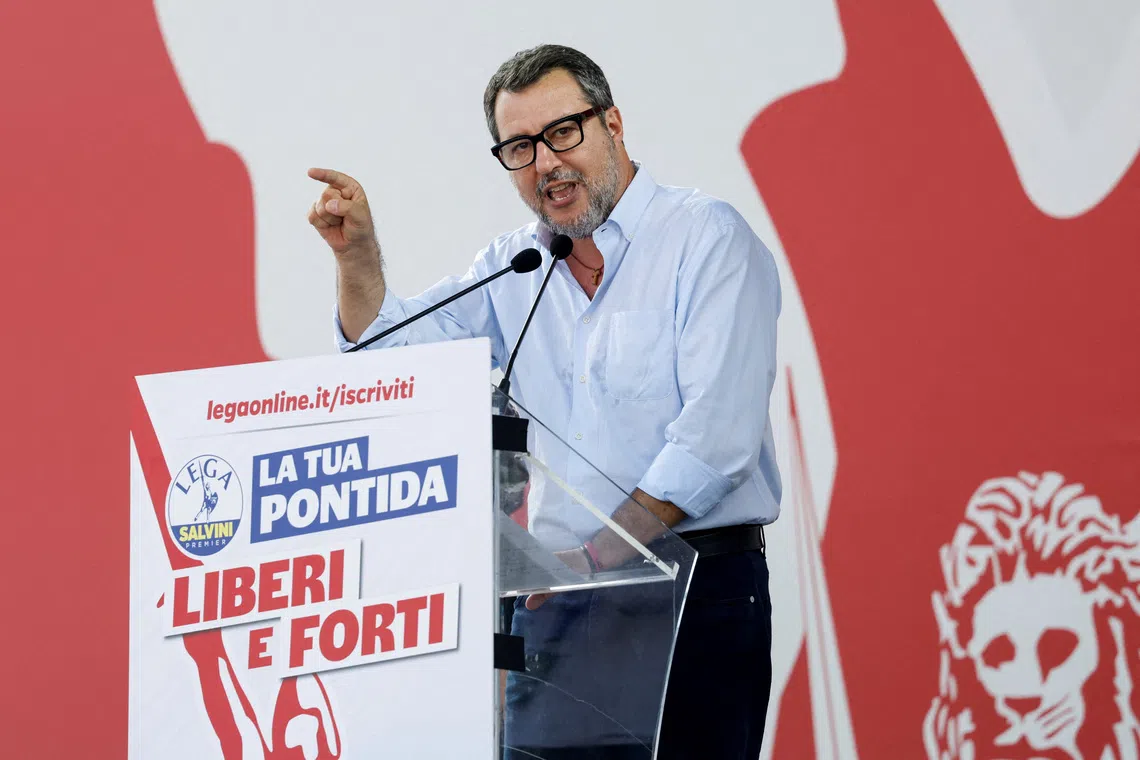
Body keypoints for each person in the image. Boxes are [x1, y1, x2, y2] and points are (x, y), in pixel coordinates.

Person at [308, 43, 781, 760]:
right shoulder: (512, 267)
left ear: (614, 124)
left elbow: (716, 441)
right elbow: (392, 359)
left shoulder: (705, 240)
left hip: (697, 589)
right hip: (562, 606)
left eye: (565, 132)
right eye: (521, 147)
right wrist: (357, 260)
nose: (547, 163)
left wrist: (596, 555)